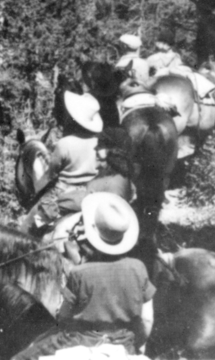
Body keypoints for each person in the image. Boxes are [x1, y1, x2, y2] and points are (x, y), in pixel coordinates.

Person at [12, 193, 155, 360]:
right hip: (124, 343)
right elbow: (147, 320)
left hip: (82, 341)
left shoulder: (80, 273)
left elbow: (63, 317)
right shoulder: (139, 268)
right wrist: (137, 345)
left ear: (93, 230)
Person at [26, 91, 103, 234]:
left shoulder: (65, 143)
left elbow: (50, 174)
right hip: (89, 191)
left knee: (28, 226)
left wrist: (36, 191)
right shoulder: (99, 141)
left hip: (63, 193)